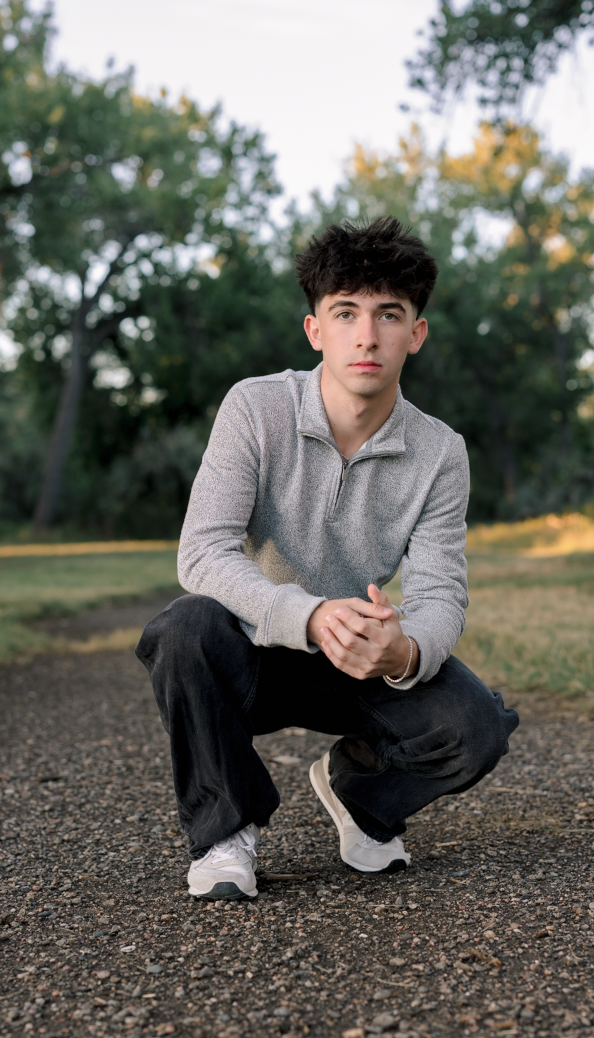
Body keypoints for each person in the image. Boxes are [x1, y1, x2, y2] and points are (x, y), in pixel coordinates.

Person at [135, 216, 519, 901]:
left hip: (360, 661)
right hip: (253, 646)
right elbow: (202, 551)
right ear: (316, 330)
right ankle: (225, 834)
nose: (366, 335)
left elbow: (440, 597)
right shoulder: (256, 409)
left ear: (416, 334)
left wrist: (401, 652)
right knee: (182, 629)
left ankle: (361, 796)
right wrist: (307, 616)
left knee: (477, 725)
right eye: (346, 313)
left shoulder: (439, 452)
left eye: (388, 315)